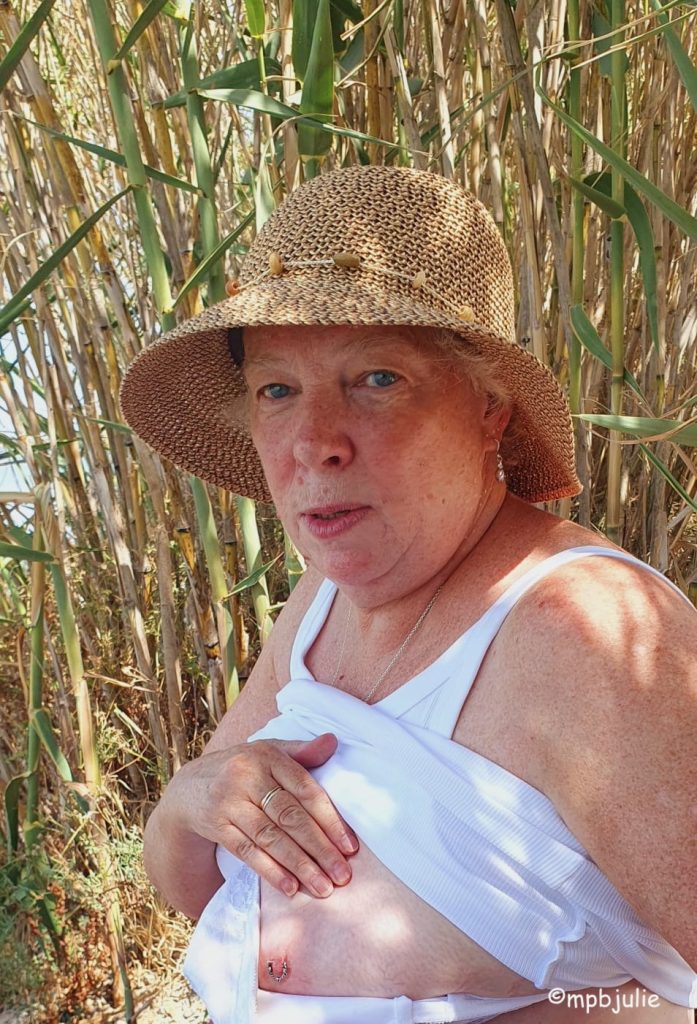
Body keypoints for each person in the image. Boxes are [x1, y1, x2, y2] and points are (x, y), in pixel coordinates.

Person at [120, 166, 697, 1024]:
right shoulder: (320, 606)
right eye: (277, 390)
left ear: (489, 409)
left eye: (376, 379)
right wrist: (192, 801)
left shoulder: (585, 631)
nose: (315, 442)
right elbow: (193, 888)